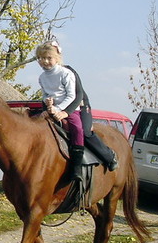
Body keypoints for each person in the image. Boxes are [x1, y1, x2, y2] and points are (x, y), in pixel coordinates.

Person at [36, 41, 118, 179]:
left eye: (48, 58)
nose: (45, 61)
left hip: (77, 106)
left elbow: (75, 95)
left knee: (82, 131)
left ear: (57, 57)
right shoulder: (42, 78)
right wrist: (47, 106)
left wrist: (62, 112)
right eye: (41, 58)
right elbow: (46, 94)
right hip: (55, 109)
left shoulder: (67, 72)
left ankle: (100, 159)